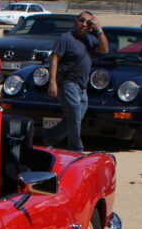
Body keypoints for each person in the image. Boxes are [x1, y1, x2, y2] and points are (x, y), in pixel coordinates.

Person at [44, 11, 107, 151]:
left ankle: (49, 136)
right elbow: (54, 59)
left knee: (73, 119)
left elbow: (104, 49)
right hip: (68, 83)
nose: (84, 24)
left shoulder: (91, 39)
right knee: (75, 117)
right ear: (76, 21)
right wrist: (52, 82)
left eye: (88, 23)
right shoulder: (66, 38)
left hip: (82, 87)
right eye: (81, 20)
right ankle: (76, 149)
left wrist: (99, 30)